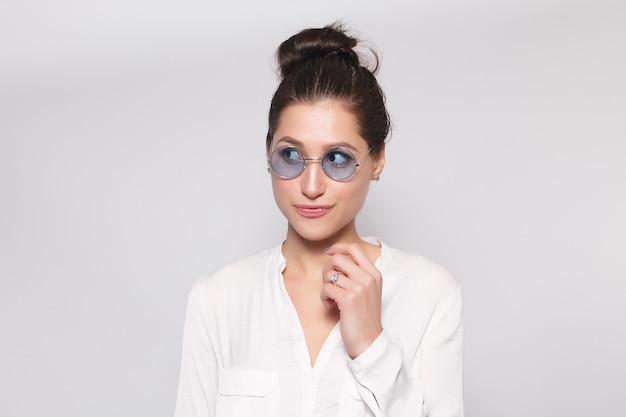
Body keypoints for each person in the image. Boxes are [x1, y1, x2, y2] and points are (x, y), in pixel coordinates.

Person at [174, 24, 464, 417]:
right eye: (291, 156)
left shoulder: (429, 294)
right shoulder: (217, 300)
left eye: (338, 159)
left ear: (376, 159)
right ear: (267, 152)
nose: (311, 186)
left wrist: (371, 346)